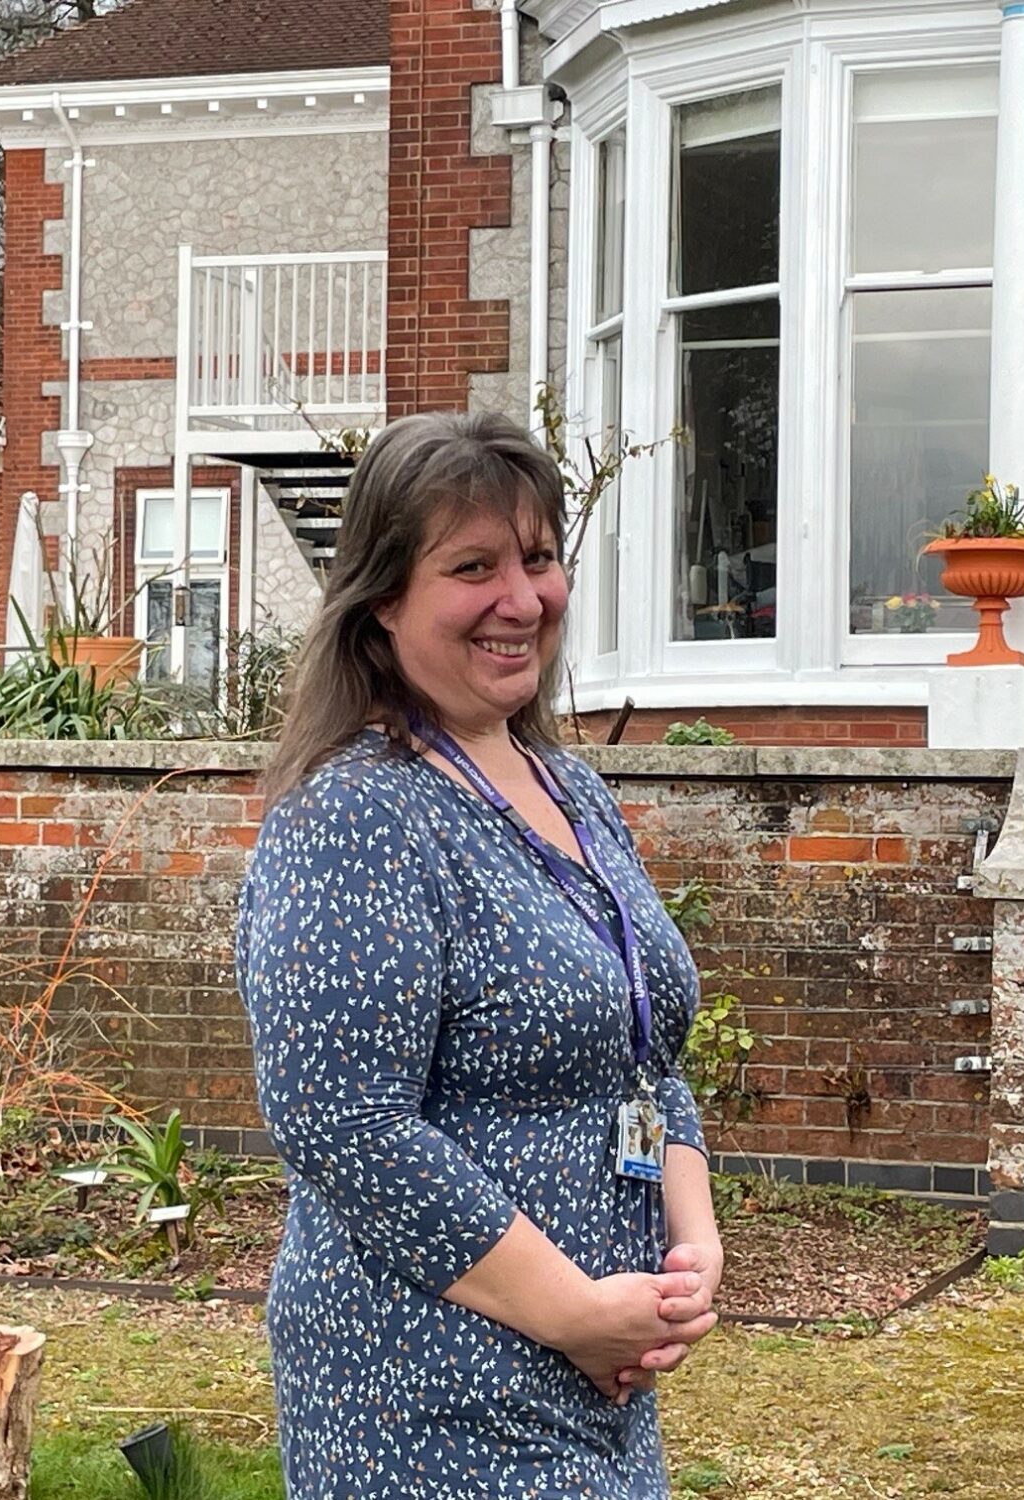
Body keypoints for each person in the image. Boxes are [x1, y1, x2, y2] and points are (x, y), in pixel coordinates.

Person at [235, 410, 724, 1497]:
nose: (522, 599)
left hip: (600, 1380)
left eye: (538, 559)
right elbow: (342, 1122)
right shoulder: (357, 812)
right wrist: (573, 1312)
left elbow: (643, 1053)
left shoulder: (567, 786)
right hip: (427, 1389)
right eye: (473, 567)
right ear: (381, 598)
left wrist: (690, 1251)